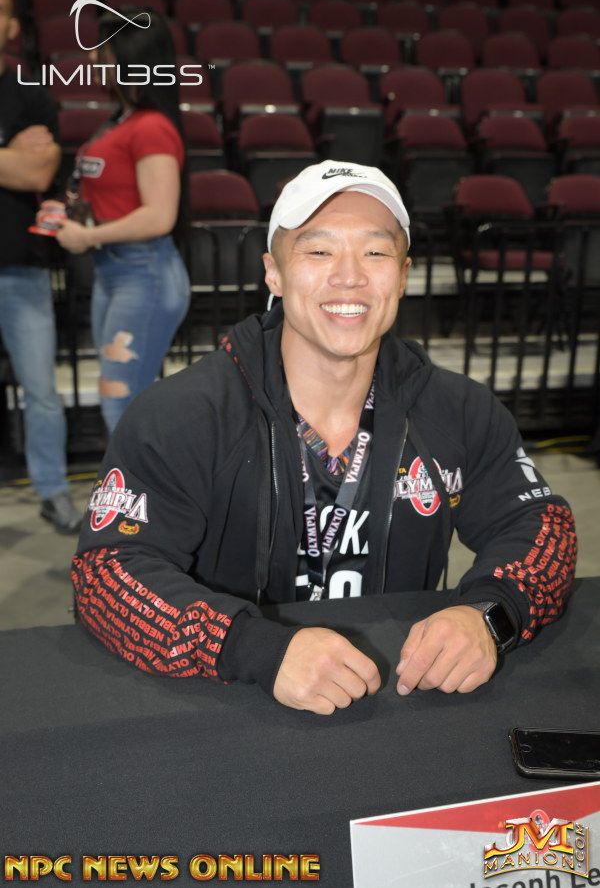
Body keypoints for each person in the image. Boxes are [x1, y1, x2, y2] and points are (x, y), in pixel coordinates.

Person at [72, 161, 578, 715]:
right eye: (318, 251)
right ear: (274, 273)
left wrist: (488, 614)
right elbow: (106, 574)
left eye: (375, 252)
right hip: (231, 704)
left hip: (403, 697)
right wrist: (250, 648)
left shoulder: (459, 409)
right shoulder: (181, 415)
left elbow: (540, 526)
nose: (349, 276)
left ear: (403, 275)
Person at [41, 7, 190, 434]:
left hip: (143, 274)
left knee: (120, 402)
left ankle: (139, 481)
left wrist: (88, 238)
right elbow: (114, 198)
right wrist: (66, 214)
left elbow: (160, 216)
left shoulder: (151, 128)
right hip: (118, 273)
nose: (92, 58)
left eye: (103, 50)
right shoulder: (120, 122)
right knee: (122, 401)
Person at [0, 0, 81, 534]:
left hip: (20, 269)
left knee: (42, 391)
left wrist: (21, 164)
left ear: (12, 27)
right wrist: (10, 155)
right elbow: (20, 166)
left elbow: (36, 173)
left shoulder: (28, 92)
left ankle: (52, 490)